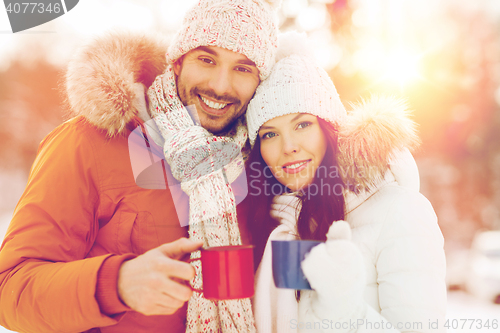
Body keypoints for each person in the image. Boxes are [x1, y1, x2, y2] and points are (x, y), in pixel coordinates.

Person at [0, 0, 279, 332]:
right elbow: (10, 291)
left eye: (243, 68)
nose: (220, 85)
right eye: (206, 59)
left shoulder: (262, 161)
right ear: (176, 63)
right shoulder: (89, 142)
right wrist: (116, 284)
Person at [244, 36, 447, 332]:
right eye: (269, 134)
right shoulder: (268, 222)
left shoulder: (400, 211)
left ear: (330, 130)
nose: (288, 146)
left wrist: (345, 310)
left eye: (302, 124)